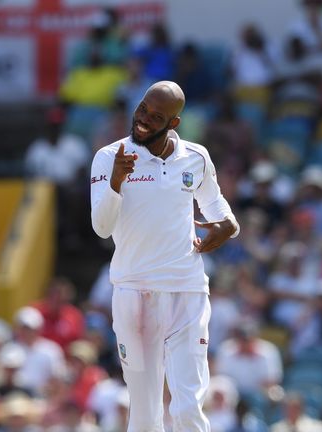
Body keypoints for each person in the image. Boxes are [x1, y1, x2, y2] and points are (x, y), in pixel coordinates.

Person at [90, 81, 239, 431]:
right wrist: (115, 182)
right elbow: (101, 227)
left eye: (155, 117)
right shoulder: (110, 157)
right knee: (144, 415)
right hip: (133, 290)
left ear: (173, 124)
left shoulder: (196, 156)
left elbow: (215, 204)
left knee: (187, 407)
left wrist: (229, 225)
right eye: (142, 109)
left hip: (187, 290)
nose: (142, 120)